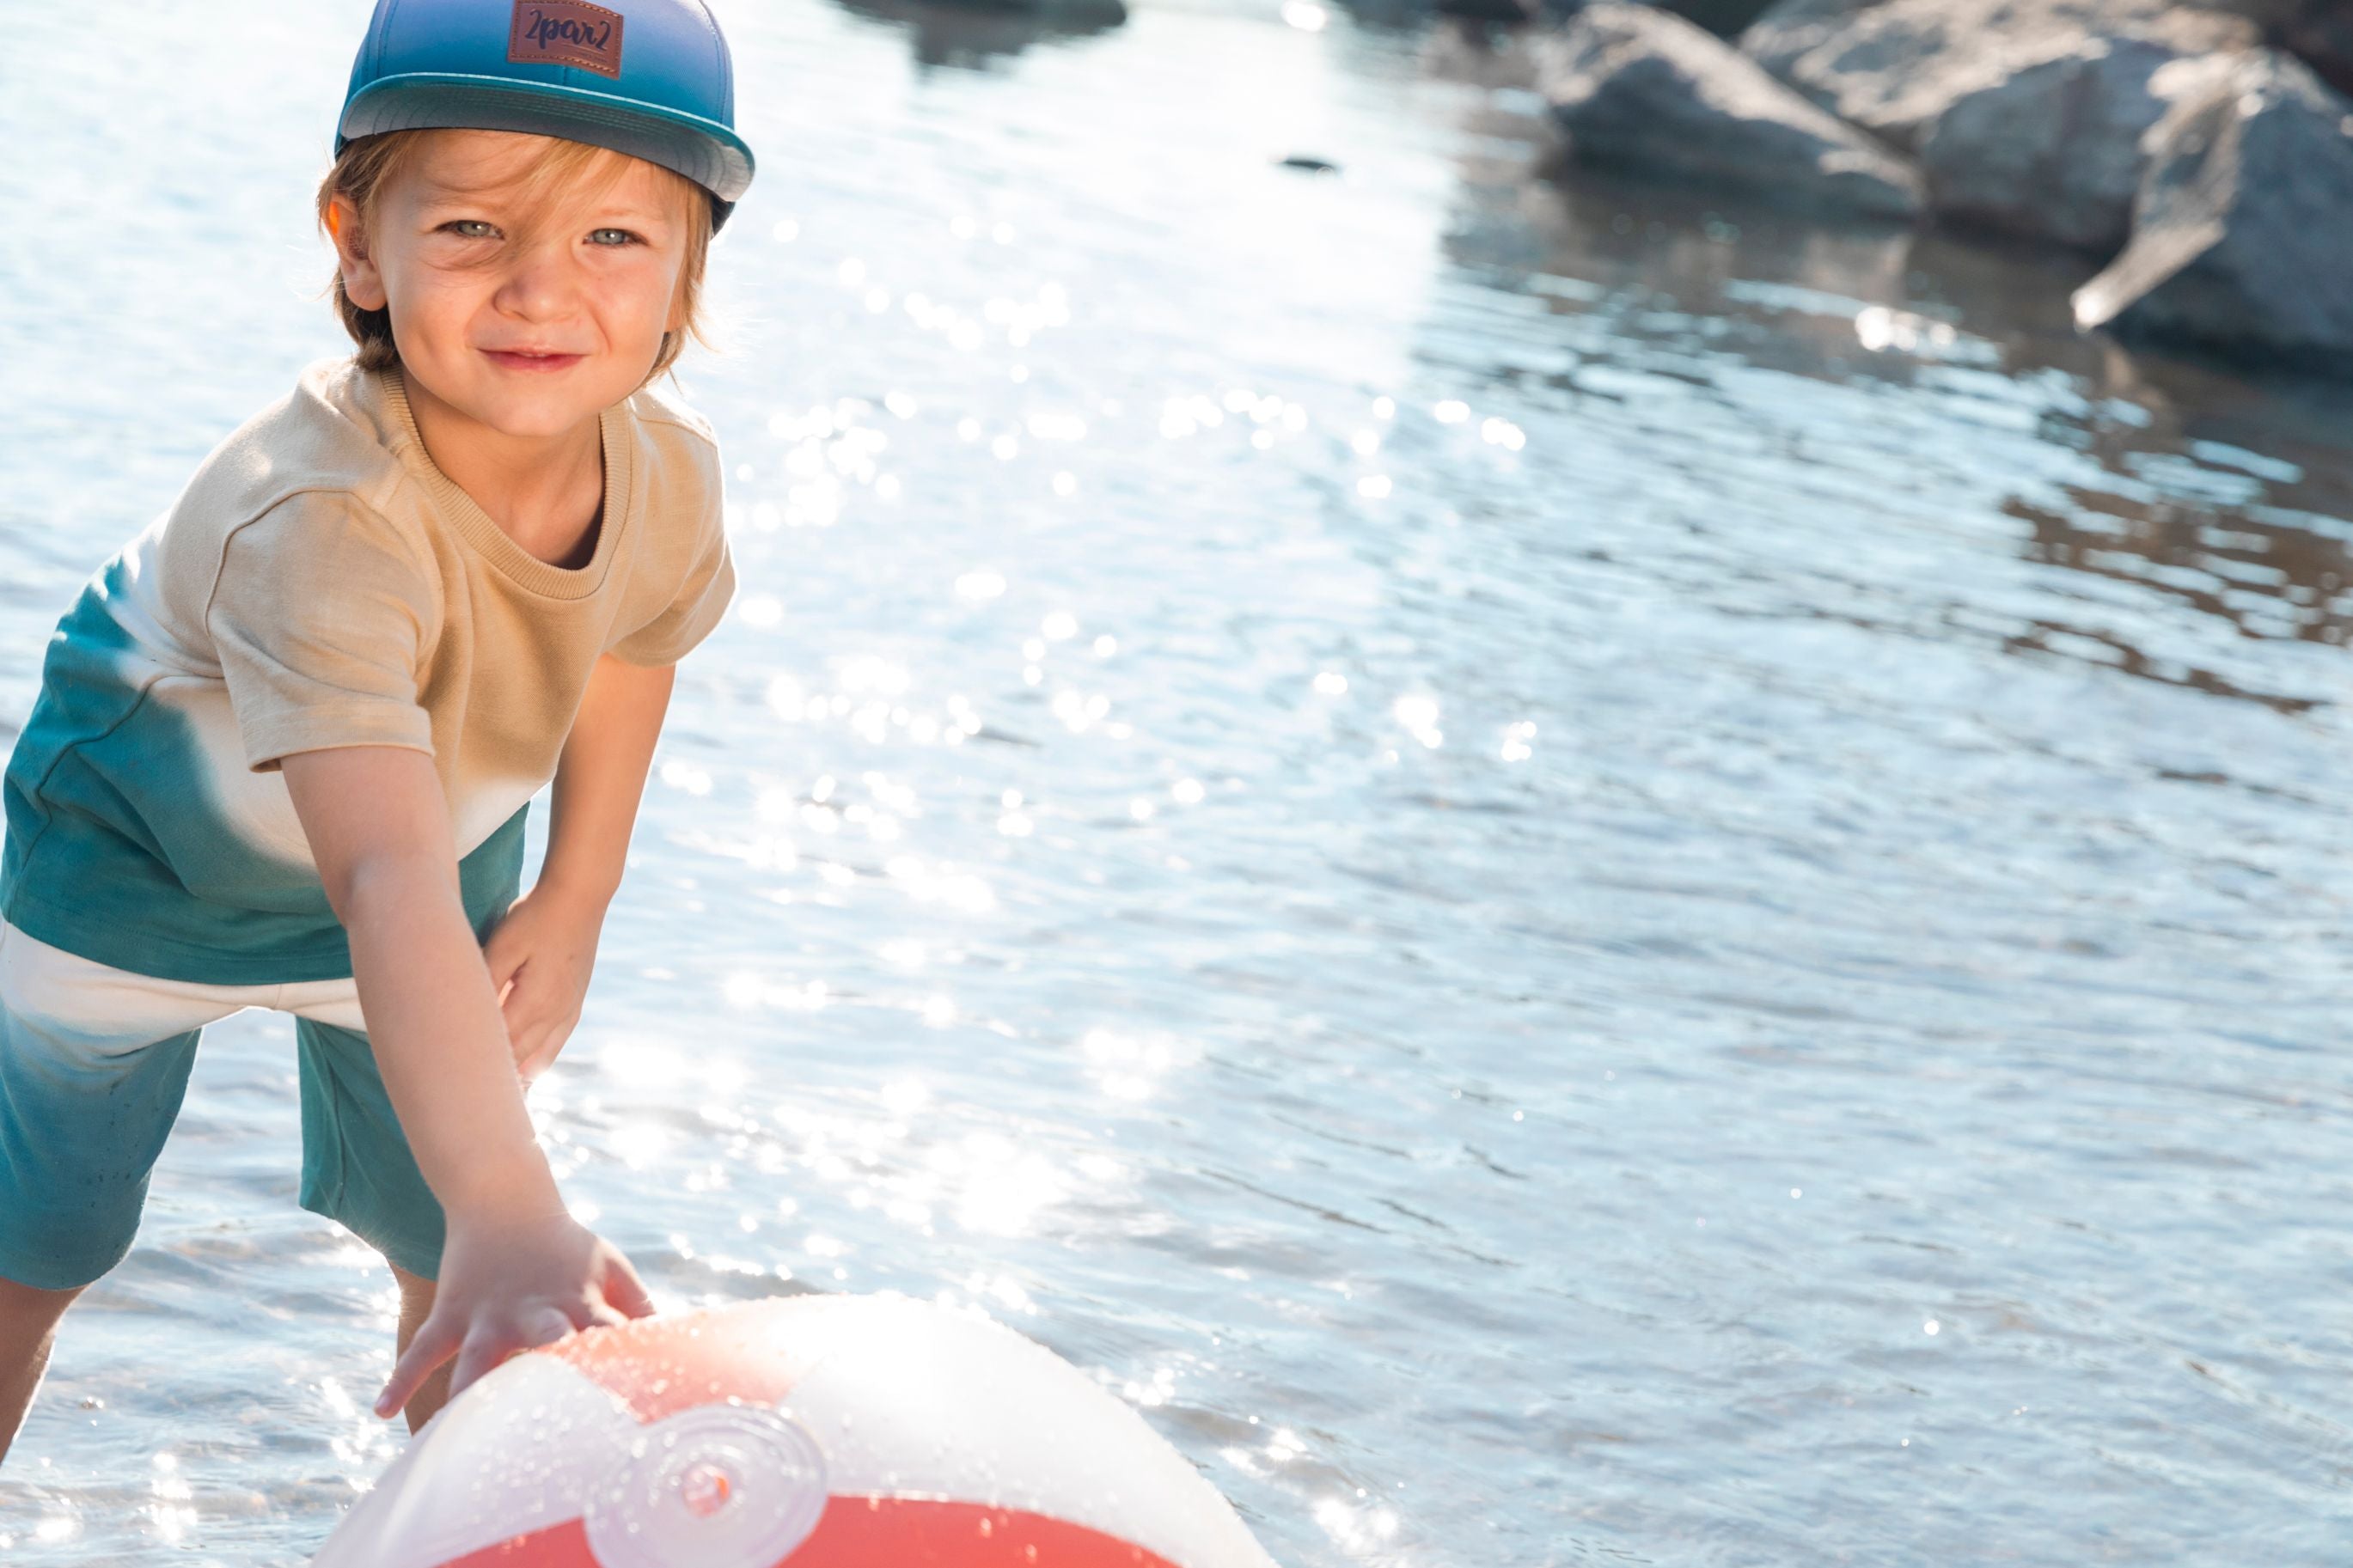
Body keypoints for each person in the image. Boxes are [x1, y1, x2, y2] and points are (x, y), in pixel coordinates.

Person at [0, 0, 755, 1459]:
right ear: (358, 243)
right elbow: (377, 875)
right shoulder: (325, 515)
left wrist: (577, 894)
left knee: (473, 1258)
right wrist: (510, 1199)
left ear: (687, 273)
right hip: (142, 856)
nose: (541, 289)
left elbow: (633, 639)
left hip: (437, 844)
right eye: (472, 227)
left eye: (612, 236)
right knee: (38, 1242)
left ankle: (457, 1525)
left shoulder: (668, 470)